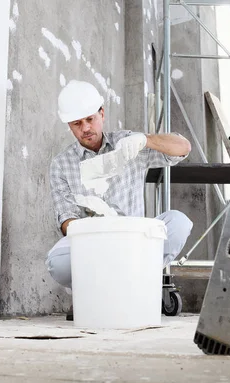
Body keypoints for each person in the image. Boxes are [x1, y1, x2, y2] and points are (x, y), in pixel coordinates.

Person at [46, 80, 193, 311]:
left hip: (134, 242)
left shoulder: (127, 144)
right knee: (58, 262)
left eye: (90, 119)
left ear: (102, 114)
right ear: (69, 126)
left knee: (178, 222)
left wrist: (146, 139)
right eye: (77, 123)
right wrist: (99, 229)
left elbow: (183, 148)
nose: (85, 128)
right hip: (94, 247)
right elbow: (66, 220)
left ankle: (126, 283)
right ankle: (107, 286)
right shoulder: (61, 165)